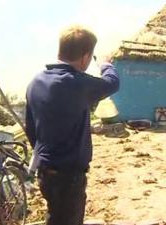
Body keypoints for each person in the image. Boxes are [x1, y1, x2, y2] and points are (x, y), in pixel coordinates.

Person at [25, 25, 119, 225]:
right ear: (86, 57)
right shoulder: (77, 83)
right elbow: (112, 83)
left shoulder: (35, 82)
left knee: (55, 216)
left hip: (45, 172)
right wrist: (105, 63)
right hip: (69, 176)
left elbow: (31, 129)